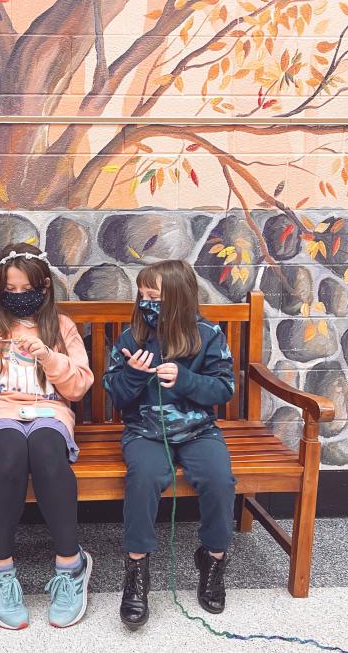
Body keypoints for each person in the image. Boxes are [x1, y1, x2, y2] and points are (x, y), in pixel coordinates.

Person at [0, 243, 94, 630]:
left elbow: (79, 386)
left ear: (44, 286)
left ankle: (71, 564)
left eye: (25, 289)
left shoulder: (60, 326)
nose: (17, 297)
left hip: (49, 410)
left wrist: (49, 356)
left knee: (48, 453)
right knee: (12, 454)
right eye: (9, 290)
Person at [103, 259, 237, 630]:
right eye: (142, 295)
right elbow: (115, 394)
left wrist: (186, 379)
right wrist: (131, 374)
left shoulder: (207, 335)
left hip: (198, 430)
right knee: (144, 478)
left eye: (155, 296)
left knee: (219, 480)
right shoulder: (133, 338)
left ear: (178, 298)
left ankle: (213, 559)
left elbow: (224, 388)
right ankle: (136, 571)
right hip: (144, 430)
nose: (147, 303)